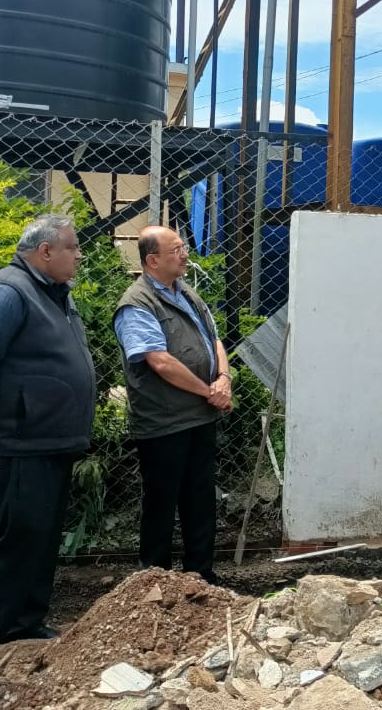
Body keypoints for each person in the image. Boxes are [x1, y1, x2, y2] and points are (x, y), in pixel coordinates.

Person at [0, 214, 97, 650]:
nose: (79, 255)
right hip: (17, 443)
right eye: (72, 247)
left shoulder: (53, 293)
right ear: (45, 251)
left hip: (49, 441)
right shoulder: (7, 292)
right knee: (13, 539)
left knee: (40, 538)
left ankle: (25, 623)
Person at [113, 226, 232, 584]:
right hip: (164, 422)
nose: (185, 254)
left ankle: (201, 576)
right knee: (161, 503)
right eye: (176, 250)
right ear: (152, 260)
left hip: (200, 416)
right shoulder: (137, 303)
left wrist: (223, 378)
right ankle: (154, 581)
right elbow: (160, 362)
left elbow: (214, 338)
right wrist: (207, 391)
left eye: (183, 247)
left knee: (201, 500)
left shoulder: (186, 293)